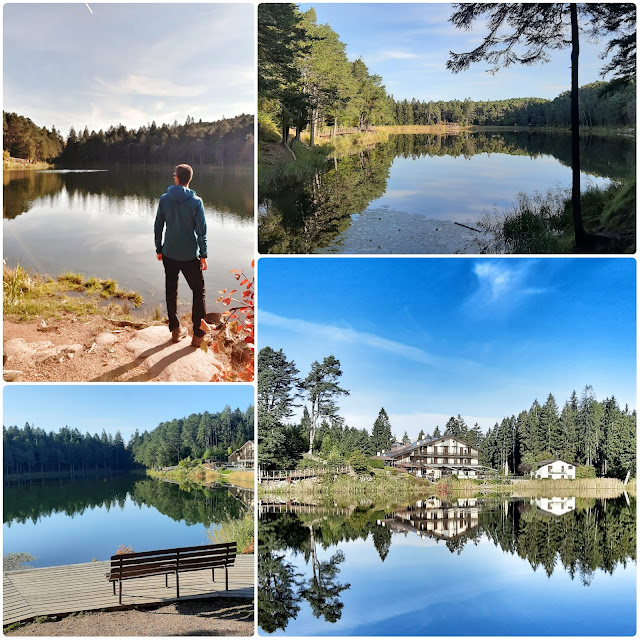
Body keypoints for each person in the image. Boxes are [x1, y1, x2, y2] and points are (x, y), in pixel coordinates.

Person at [154, 163, 208, 347]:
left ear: (176, 177)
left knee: (171, 290)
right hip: (189, 256)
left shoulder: (164, 199)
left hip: (169, 253)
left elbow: (158, 226)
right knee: (198, 291)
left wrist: (158, 249)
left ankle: (175, 330)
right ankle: (198, 335)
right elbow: (201, 231)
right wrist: (203, 254)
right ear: (189, 179)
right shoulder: (196, 202)